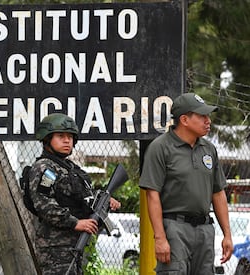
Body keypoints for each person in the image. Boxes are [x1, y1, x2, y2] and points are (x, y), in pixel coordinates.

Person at [139, 93, 233, 274]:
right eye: (202, 116)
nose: (208, 121)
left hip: (205, 229)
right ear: (184, 119)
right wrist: (160, 238)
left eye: (208, 116)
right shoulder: (160, 147)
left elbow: (218, 193)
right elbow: (152, 195)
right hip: (175, 228)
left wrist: (227, 235)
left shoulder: (209, 149)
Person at [28, 113, 121, 274]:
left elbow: (82, 197)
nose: (67, 140)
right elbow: (44, 203)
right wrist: (75, 223)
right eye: (60, 136)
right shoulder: (46, 168)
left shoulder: (70, 168)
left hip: (74, 244)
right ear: (47, 139)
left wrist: (104, 200)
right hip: (56, 248)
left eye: (70, 137)